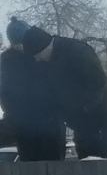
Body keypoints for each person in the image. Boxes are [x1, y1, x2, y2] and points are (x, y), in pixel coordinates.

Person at [1, 18, 67, 161]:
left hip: (32, 123)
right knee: (52, 165)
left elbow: (5, 93)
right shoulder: (39, 53)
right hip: (45, 122)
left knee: (33, 166)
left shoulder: (7, 60)